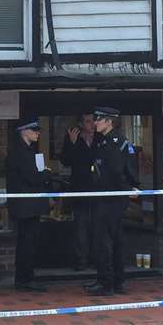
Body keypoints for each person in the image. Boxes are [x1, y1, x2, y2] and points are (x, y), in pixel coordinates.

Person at [85, 105, 139, 296]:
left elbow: (116, 172)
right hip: (109, 196)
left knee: (104, 242)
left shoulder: (114, 143)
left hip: (110, 198)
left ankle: (106, 283)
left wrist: (126, 190)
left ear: (109, 121)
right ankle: (115, 281)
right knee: (114, 241)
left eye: (98, 119)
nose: (95, 123)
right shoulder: (104, 141)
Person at [5, 118, 49, 292]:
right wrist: (46, 173)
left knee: (27, 243)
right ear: (24, 131)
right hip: (26, 206)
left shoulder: (26, 151)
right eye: (34, 129)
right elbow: (33, 178)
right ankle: (25, 279)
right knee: (27, 243)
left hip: (28, 206)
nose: (38, 133)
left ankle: (24, 278)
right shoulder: (20, 153)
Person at [57, 112, 98, 270]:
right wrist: (73, 144)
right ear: (81, 124)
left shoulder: (100, 138)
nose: (92, 125)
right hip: (80, 188)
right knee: (81, 226)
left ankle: (97, 259)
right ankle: (82, 261)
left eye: (93, 121)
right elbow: (65, 161)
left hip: (97, 188)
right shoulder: (73, 137)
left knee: (97, 225)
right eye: (88, 122)